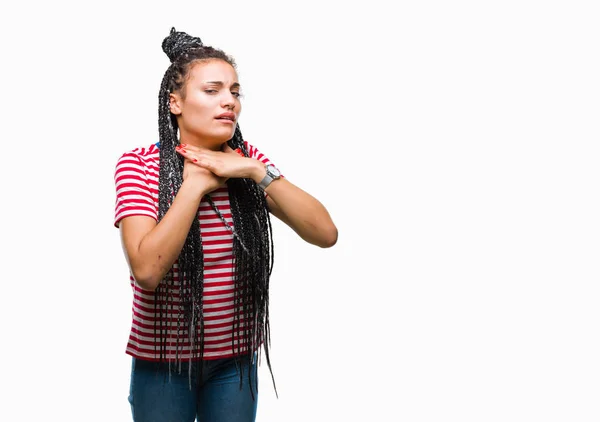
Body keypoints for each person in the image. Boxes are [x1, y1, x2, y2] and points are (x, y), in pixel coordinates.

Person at [113, 27, 338, 422]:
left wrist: (254, 170)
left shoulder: (245, 162)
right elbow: (147, 270)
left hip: (234, 361)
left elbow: (325, 234)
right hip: (163, 362)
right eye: (212, 90)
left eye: (235, 92)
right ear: (175, 103)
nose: (228, 102)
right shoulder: (139, 165)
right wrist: (194, 186)